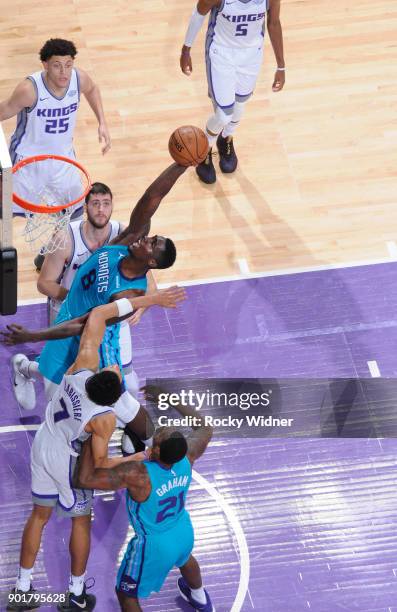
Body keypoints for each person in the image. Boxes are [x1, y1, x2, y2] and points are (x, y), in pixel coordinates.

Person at [6, 289, 186, 612]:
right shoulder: (103, 420)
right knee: (80, 520)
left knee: (39, 516)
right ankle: (75, 594)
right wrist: (135, 457)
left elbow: (101, 314)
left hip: (44, 442)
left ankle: (22, 588)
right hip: (65, 460)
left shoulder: (80, 367)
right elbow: (100, 464)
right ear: (112, 399)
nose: (114, 369)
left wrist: (151, 300)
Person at [74, 385, 215, 612]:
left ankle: (197, 596)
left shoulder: (139, 475)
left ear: (156, 452)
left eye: (156, 440)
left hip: (153, 543)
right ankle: (199, 598)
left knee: (126, 593)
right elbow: (205, 427)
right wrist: (171, 396)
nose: (155, 435)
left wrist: (91, 437)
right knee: (185, 557)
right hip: (182, 530)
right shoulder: (188, 456)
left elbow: (85, 480)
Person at [37, 180, 157, 400]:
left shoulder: (125, 236)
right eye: (95, 204)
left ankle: (124, 426)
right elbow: (44, 283)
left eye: (106, 203)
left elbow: (149, 282)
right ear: (85, 208)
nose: (101, 210)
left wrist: (140, 308)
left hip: (110, 316)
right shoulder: (66, 238)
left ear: (112, 206)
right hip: (69, 312)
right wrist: (78, 298)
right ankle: (25, 368)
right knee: (60, 383)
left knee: (127, 383)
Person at [0, 37, 111, 269]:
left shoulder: (79, 79)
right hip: (27, 163)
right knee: (5, 214)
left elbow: (92, 89)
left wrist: (102, 122)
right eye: (57, 65)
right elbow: (5, 109)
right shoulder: (29, 90)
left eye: (68, 64)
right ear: (45, 65)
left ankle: (48, 255)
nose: (64, 72)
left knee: (74, 215)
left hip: (63, 160)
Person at [180, 0, 285, 184]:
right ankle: (204, 149)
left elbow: (274, 23)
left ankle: (225, 138)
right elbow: (198, 15)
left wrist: (281, 67)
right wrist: (186, 50)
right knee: (223, 114)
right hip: (221, 53)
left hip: (251, 54)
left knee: (239, 106)